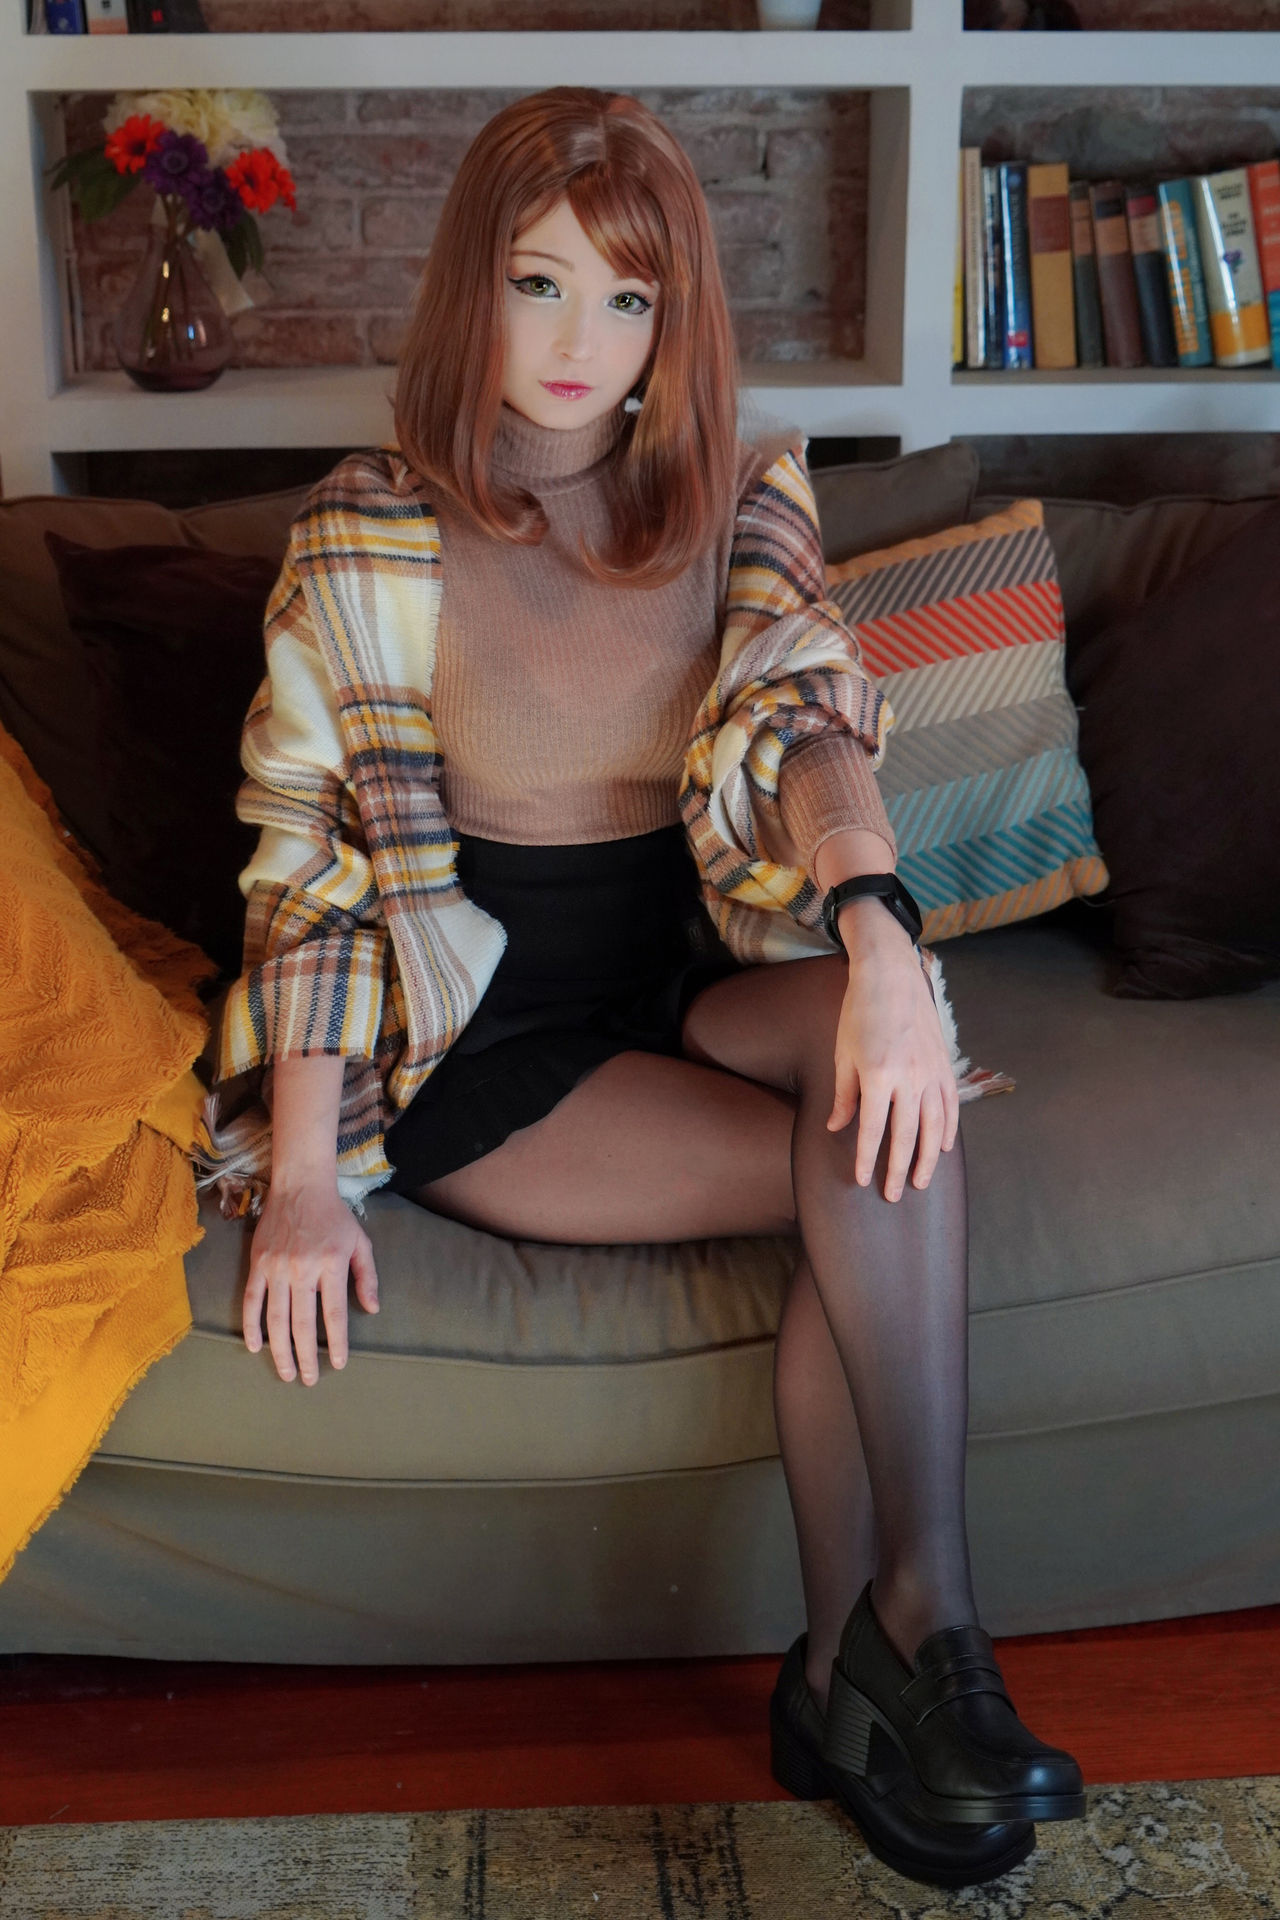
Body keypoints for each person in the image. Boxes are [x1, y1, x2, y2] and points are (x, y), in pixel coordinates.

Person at [199, 86, 1085, 1893]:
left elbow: (809, 719)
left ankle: (883, 1652)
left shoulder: (735, 492)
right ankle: (897, 1662)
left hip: (681, 980)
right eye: (540, 283)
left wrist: (883, 938)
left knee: (884, 1077)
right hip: (488, 1044)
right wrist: (298, 1178)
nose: (579, 343)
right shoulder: (365, 535)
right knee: (876, 1161)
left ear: (674, 316)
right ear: (474, 282)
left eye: (629, 298)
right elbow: (307, 873)